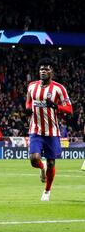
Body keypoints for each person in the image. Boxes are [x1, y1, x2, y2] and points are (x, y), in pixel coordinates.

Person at [25, 57, 72, 201]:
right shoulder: (32, 86)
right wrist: (27, 109)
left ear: (52, 71)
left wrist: (56, 106)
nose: (43, 71)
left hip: (52, 131)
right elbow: (28, 101)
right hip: (36, 129)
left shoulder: (59, 88)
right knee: (34, 159)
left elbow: (70, 109)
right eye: (41, 69)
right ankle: (41, 166)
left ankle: (47, 190)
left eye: (46, 69)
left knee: (52, 162)